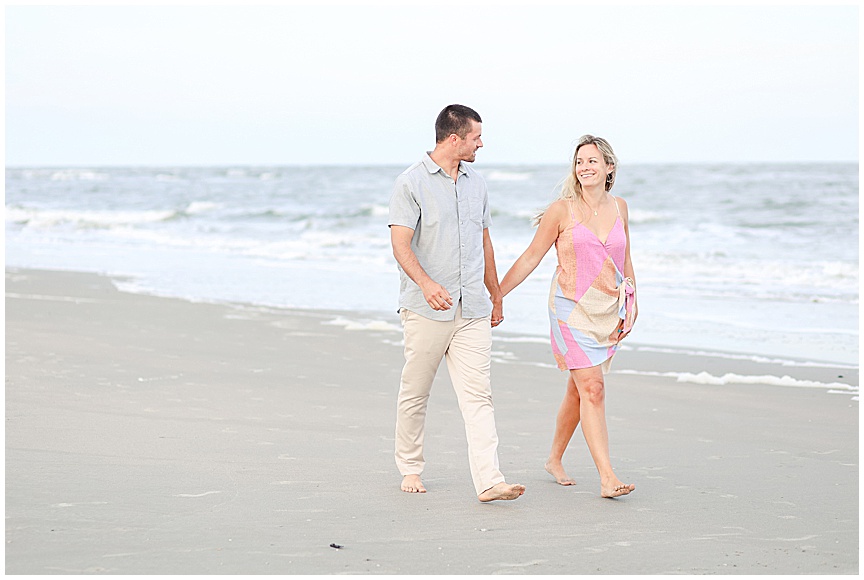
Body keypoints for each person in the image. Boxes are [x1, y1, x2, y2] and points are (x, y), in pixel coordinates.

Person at [388, 104, 526, 502]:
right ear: (455, 139)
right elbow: (400, 244)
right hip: (426, 307)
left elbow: (484, 242)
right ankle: (410, 466)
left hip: (473, 310)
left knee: (479, 396)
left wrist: (495, 294)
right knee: (416, 391)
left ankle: (489, 481)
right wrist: (427, 284)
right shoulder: (410, 183)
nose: (480, 144)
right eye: (476, 138)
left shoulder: (476, 183)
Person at [499, 135, 637, 498]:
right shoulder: (561, 210)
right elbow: (531, 257)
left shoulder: (620, 207)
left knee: (579, 391)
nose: (585, 167)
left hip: (607, 310)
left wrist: (633, 300)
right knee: (593, 387)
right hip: (569, 310)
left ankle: (554, 459)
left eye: (593, 161)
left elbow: (624, 260)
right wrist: (496, 294)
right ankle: (608, 478)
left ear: (609, 167)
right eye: (580, 162)